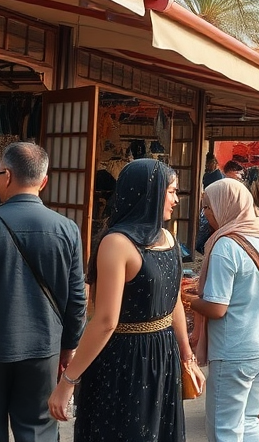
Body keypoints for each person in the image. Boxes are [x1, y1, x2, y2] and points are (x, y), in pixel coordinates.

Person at [48, 159, 204, 438]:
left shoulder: (133, 241)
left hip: (132, 358)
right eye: (170, 191)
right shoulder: (137, 241)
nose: (175, 200)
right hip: (137, 357)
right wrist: (184, 354)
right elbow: (110, 321)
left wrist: (67, 381)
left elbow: (110, 320)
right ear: (148, 193)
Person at [0, 142, 86, 442]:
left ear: (6, 176)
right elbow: (77, 299)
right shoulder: (67, 229)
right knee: (38, 430)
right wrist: (69, 347)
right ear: (44, 181)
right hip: (44, 347)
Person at [185, 178, 259, 442]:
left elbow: (217, 308)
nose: (206, 215)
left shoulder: (226, 245)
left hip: (237, 349)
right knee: (249, 420)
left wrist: (186, 300)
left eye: (208, 207)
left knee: (224, 429)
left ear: (225, 205)